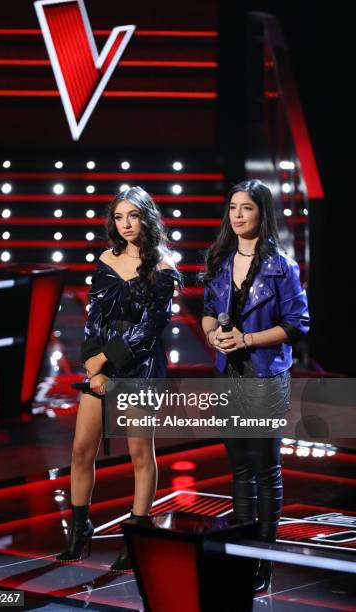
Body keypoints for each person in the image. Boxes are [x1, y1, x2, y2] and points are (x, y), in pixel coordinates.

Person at [56, 186, 181, 571]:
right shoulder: (106, 258)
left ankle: (137, 533)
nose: (125, 224)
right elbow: (94, 313)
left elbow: (148, 330)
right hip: (101, 362)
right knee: (81, 449)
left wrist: (104, 365)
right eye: (119, 217)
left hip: (139, 367)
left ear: (147, 218)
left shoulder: (162, 266)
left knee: (140, 453)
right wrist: (91, 358)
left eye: (133, 216)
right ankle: (80, 530)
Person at [201, 179, 310, 592]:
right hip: (227, 374)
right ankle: (245, 553)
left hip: (265, 374)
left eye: (246, 208)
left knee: (265, 469)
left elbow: (296, 325)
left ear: (262, 213)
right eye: (233, 208)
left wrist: (246, 340)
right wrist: (213, 335)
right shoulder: (220, 260)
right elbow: (209, 312)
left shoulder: (283, 266)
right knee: (239, 467)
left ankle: (264, 559)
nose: (238, 215)